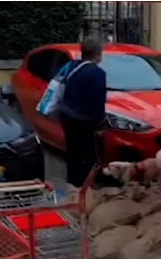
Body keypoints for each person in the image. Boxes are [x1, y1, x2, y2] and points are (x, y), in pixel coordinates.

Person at [59, 39, 107, 188]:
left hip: (67, 116)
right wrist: (100, 124)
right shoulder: (97, 73)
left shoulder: (72, 66)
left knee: (73, 151)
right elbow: (97, 101)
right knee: (88, 154)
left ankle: (72, 182)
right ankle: (86, 185)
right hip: (84, 120)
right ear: (98, 54)